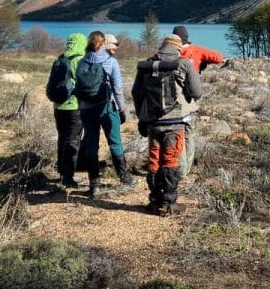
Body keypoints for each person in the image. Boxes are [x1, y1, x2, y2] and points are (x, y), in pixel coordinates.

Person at [132, 34, 203, 216]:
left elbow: (136, 92)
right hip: (175, 122)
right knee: (171, 161)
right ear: (178, 48)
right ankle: (168, 203)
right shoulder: (184, 63)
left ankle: (155, 200)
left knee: (154, 160)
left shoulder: (147, 64)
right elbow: (197, 92)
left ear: (162, 46)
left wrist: (142, 117)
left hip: (153, 122)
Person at [76, 30, 135, 198]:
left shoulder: (82, 62)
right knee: (115, 142)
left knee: (91, 145)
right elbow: (117, 89)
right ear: (103, 44)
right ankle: (125, 178)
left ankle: (94, 185)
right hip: (107, 108)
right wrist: (122, 109)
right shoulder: (111, 62)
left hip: (86, 109)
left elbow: (78, 85)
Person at [172, 25, 224, 177]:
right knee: (189, 134)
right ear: (187, 37)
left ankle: (178, 169)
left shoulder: (170, 53)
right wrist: (202, 63)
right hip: (191, 98)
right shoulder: (196, 50)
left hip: (172, 100)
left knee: (177, 134)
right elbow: (219, 57)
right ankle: (186, 169)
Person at [50, 32, 87, 188]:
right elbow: (84, 84)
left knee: (62, 139)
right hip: (74, 106)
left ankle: (62, 172)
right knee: (73, 141)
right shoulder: (79, 60)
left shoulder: (59, 59)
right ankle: (68, 177)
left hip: (58, 106)